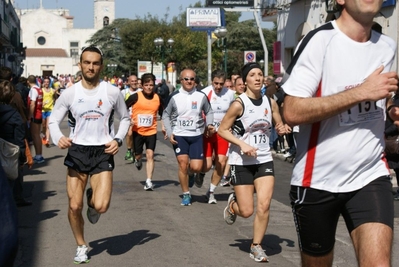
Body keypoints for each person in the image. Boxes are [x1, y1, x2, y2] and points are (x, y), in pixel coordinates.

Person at [282, 1, 398, 265]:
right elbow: (292, 111)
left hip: (369, 174)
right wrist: (361, 92)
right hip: (317, 180)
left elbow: (378, 101)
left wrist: (389, 109)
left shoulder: (387, 46)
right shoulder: (319, 40)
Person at [48, 45, 130, 264]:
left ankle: (92, 202)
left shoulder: (112, 92)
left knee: (101, 206)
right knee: (74, 206)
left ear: (101, 66)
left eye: (95, 63)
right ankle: (81, 245)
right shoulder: (70, 92)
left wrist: (118, 139)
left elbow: (125, 118)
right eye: (87, 62)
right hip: (77, 151)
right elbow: (53, 120)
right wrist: (59, 137)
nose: (91, 67)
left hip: (103, 151)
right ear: (80, 65)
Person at [218, 62, 286, 262]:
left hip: (264, 159)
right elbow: (223, 130)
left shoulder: (270, 102)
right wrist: (242, 144)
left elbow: (278, 123)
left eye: (260, 75)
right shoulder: (239, 104)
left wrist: (282, 128)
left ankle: (256, 246)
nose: (257, 78)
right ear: (245, 80)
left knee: (264, 205)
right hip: (241, 161)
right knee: (246, 211)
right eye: (253, 75)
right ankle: (233, 206)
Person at [162, 68, 214, 206]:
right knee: (182, 164)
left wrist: (209, 125)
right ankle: (186, 194)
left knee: (196, 167)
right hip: (179, 135)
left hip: (196, 135)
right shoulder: (174, 96)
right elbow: (165, 115)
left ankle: (191, 174)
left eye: (192, 79)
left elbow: (209, 111)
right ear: (181, 80)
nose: (189, 81)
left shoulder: (201, 96)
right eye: (186, 79)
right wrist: (169, 130)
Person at [194, 69, 235, 204]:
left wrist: (231, 125)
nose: (218, 87)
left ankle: (211, 192)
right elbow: (197, 113)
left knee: (222, 162)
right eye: (216, 83)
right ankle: (200, 173)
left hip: (222, 133)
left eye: (221, 84)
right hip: (207, 133)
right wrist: (203, 127)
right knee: (206, 165)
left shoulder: (230, 94)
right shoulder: (205, 93)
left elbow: (233, 112)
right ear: (212, 81)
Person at [125, 73, 165, 190]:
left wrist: (163, 126)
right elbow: (122, 108)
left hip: (151, 131)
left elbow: (164, 113)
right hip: (137, 130)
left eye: (151, 85)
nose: (149, 87)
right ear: (141, 85)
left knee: (150, 155)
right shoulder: (135, 97)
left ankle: (148, 181)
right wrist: (129, 119)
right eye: (146, 85)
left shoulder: (158, 98)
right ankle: (137, 160)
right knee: (138, 155)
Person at [220, 76, 246, 187]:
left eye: (243, 84)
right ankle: (225, 177)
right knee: (230, 155)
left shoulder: (250, 97)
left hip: (247, 133)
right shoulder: (233, 98)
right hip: (234, 132)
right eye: (239, 85)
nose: (242, 86)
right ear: (235, 87)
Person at [120, 75, 142, 161]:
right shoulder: (123, 92)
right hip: (128, 117)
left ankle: (134, 151)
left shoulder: (141, 91)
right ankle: (129, 150)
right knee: (129, 134)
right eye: (132, 81)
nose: (134, 82)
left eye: (135, 81)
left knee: (136, 136)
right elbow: (120, 105)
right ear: (128, 82)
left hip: (138, 117)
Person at [27, 74, 44, 163]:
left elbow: (32, 104)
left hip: (35, 115)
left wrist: (29, 116)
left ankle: (38, 155)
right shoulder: (39, 89)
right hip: (39, 113)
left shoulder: (33, 90)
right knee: (37, 135)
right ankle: (39, 154)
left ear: (28, 81)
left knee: (35, 135)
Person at [41, 77, 56, 147]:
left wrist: (54, 101)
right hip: (43, 110)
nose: (46, 83)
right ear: (43, 83)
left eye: (47, 82)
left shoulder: (52, 90)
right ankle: (44, 135)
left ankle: (47, 140)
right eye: (45, 82)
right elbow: (39, 99)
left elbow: (55, 97)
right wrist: (42, 103)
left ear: (49, 83)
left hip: (50, 109)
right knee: (43, 125)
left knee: (48, 125)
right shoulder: (41, 90)